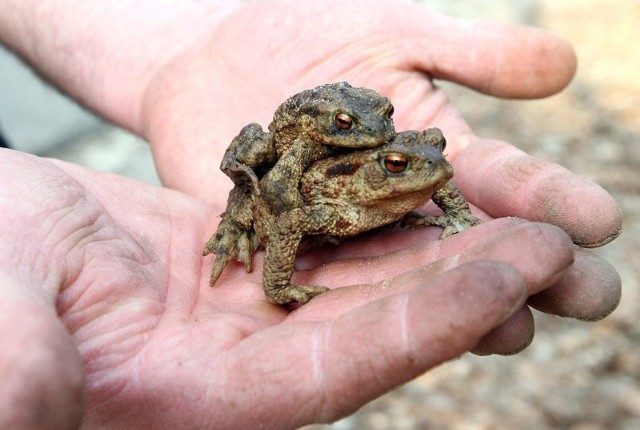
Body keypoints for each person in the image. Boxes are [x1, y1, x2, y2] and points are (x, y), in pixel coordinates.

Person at [0, 1, 623, 428]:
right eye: (402, 163)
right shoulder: (315, 171)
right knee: (258, 198)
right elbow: (286, 207)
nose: (431, 172)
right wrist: (274, 273)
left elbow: (437, 174)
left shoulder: (401, 162)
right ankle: (233, 233)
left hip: (354, 175)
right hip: (303, 183)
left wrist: (454, 213)